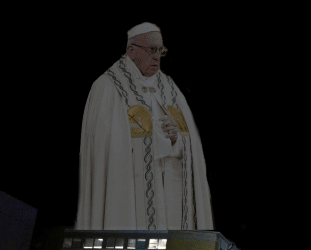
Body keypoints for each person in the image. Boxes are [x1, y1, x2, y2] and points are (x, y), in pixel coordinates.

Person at [76, 22, 213, 231]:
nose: (157, 57)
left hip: (169, 199)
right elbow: (106, 148)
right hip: (130, 199)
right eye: (151, 50)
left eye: (160, 51)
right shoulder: (108, 87)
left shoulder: (171, 89)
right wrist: (155, 138)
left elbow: (190, 144)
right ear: (131, 51)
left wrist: (176, 140)